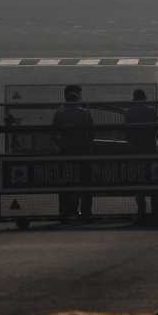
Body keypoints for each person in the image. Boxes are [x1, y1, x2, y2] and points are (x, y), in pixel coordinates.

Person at [53, 85, 96, 221]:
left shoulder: (60, 113)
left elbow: (54, 132)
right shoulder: (85, 113)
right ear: (78, 100)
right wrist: (87, 144)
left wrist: (61, 144)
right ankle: (86, 212)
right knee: (85, 184)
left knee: (66, 183)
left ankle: (65, 211)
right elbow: (92, 132)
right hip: (83, 152)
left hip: (66, 152)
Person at [125, 89, 157, 221]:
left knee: (138, 180)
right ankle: (156, 209)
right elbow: (155, 129)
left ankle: (141, 210)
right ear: (145, 97)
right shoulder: (151, 111)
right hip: (149, 147)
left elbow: (127, 131)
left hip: (135, 148)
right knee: (153, 179)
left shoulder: (130, 112)